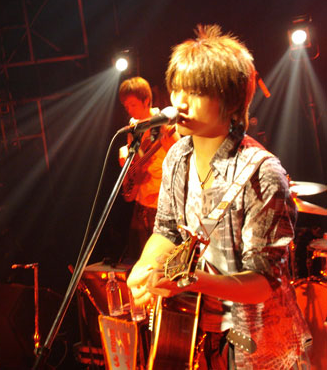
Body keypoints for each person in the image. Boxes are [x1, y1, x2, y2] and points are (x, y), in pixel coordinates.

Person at [127, 25, 311, 369]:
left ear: (230, 100)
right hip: (196, 331)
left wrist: (190, 281)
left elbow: (263, 282)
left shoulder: (262, 173)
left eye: (195, 92)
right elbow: (166, 230)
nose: (180, 102)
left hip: (256, 340)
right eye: (177, 89)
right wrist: (146, 266)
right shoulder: (177, 156)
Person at [118, 77, 178, 260]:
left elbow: (183, 158)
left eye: (133, 105)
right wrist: (125, 155)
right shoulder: (134, 127)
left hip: (161, 205)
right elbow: (133, 156)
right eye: (126, 106)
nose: (129, 109)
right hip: (141, 203)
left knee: (162, 261)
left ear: (146, 101)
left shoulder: (164, 124)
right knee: (139, 259)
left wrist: (170, 148)